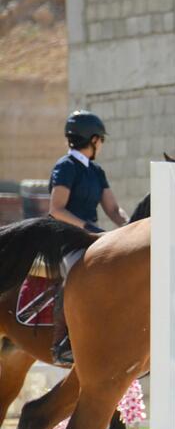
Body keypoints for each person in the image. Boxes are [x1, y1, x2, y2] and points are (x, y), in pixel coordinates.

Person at [48, 110, 129, 363]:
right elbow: (56, 209)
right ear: (93, 140)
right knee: (78, 273)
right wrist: (88, 227)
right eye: (101, 140)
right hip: (65, 237)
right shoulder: (65, 167)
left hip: (90, 237)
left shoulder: (96, 171)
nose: (101, 145)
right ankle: (65, 341)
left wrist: (132, 226)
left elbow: (113, 209)